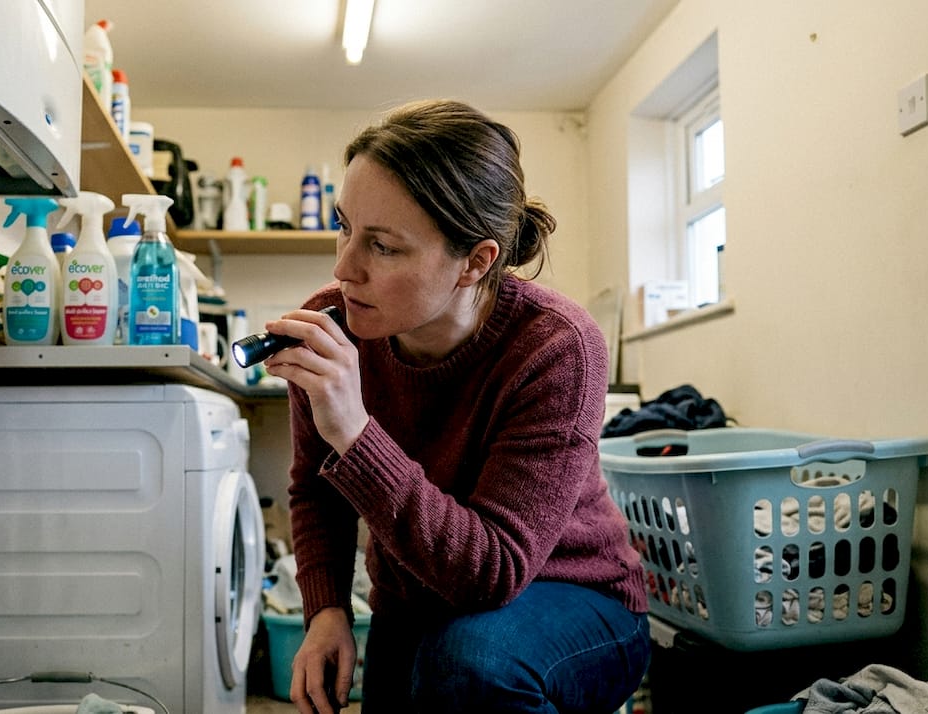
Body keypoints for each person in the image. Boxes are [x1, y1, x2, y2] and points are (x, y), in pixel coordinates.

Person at [260, 99, 650, 714]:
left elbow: (494, 571)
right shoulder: (337, 323)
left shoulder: (557, 348)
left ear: (476, 261)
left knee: (468, 668)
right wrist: (326, 610)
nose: (344, 266)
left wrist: (355, 433)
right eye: (344, 227)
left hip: (575, 596)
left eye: (383, 247)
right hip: (420, 604)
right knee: (436, 672)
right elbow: (314, 490)